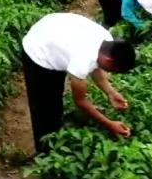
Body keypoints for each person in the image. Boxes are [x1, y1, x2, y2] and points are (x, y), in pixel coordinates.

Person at [21, 12, 136, 155]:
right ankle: (44, 152)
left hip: (52, 32)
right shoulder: (82, 60)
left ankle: (55, 131)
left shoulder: (106, 41)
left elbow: (96, 66)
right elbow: (80, 102)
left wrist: (110, 92)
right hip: (37, 50)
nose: (109, 72)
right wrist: (109, 124)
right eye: (112, 70)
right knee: (43, 107)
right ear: (109, 60)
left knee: (55, 98)